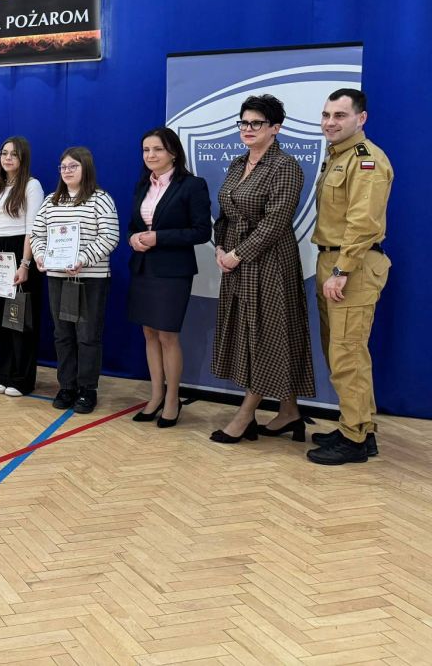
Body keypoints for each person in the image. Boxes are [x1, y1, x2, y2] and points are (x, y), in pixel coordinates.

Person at [209, 94, 314, 444]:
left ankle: (245, 416)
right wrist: (220, 247)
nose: (248, 128)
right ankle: (289, 412)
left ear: (275, 128)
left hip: (270, 263)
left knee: (267, 334)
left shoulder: (286, 166)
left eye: (256, 123)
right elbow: (225, 212)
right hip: (234, 261)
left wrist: (238, 254)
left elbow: (276, 222)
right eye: (244, 122)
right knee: (248, 332)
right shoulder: (237, 163)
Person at [307, 89, 393, 465]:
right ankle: (358, 427)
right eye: (326, 115)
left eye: (340, 115)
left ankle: (355, 438)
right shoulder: (337, 156)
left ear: (361, 118)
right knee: (342, 351)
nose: (330, 122)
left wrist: (341, 271)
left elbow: (363, 222)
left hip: (351, 267)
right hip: (332, 262)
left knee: (347, 354)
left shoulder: (366, 160)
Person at [126, 127, 211, 426]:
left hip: (173, 271)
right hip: (144, 268)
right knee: (149, 334)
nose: (150, 155)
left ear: (173, 152)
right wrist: (133, 238)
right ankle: (155, 396)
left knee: (167, 336)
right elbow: (134, 226)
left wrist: (158, 238)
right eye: (146, 150)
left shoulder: (192, 185)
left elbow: (201, 231)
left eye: (157, 149)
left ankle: (173, 399)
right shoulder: (142, 185)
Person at [30, 147, 119, 414]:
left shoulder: (101, 199)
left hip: (90, 279)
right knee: (63, 334)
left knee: (88, 336)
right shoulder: (51, 201)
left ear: (86, 168)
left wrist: (82, 259)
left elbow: (110, 236)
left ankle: (87, 389)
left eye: (73, 166)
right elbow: (37, 234)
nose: (67, 171)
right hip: (58, 278)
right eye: (63, 167)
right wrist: (40, 256)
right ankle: (67, 386)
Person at [0, 136, 45, 398]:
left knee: (20, 319)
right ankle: (3, 374)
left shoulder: (32, 186)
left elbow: (32, 229)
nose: (7, 158)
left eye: (13, 154)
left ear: (23, 158)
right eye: (4, 153)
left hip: (21, 251)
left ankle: (22, 379)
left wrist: (25, 264)